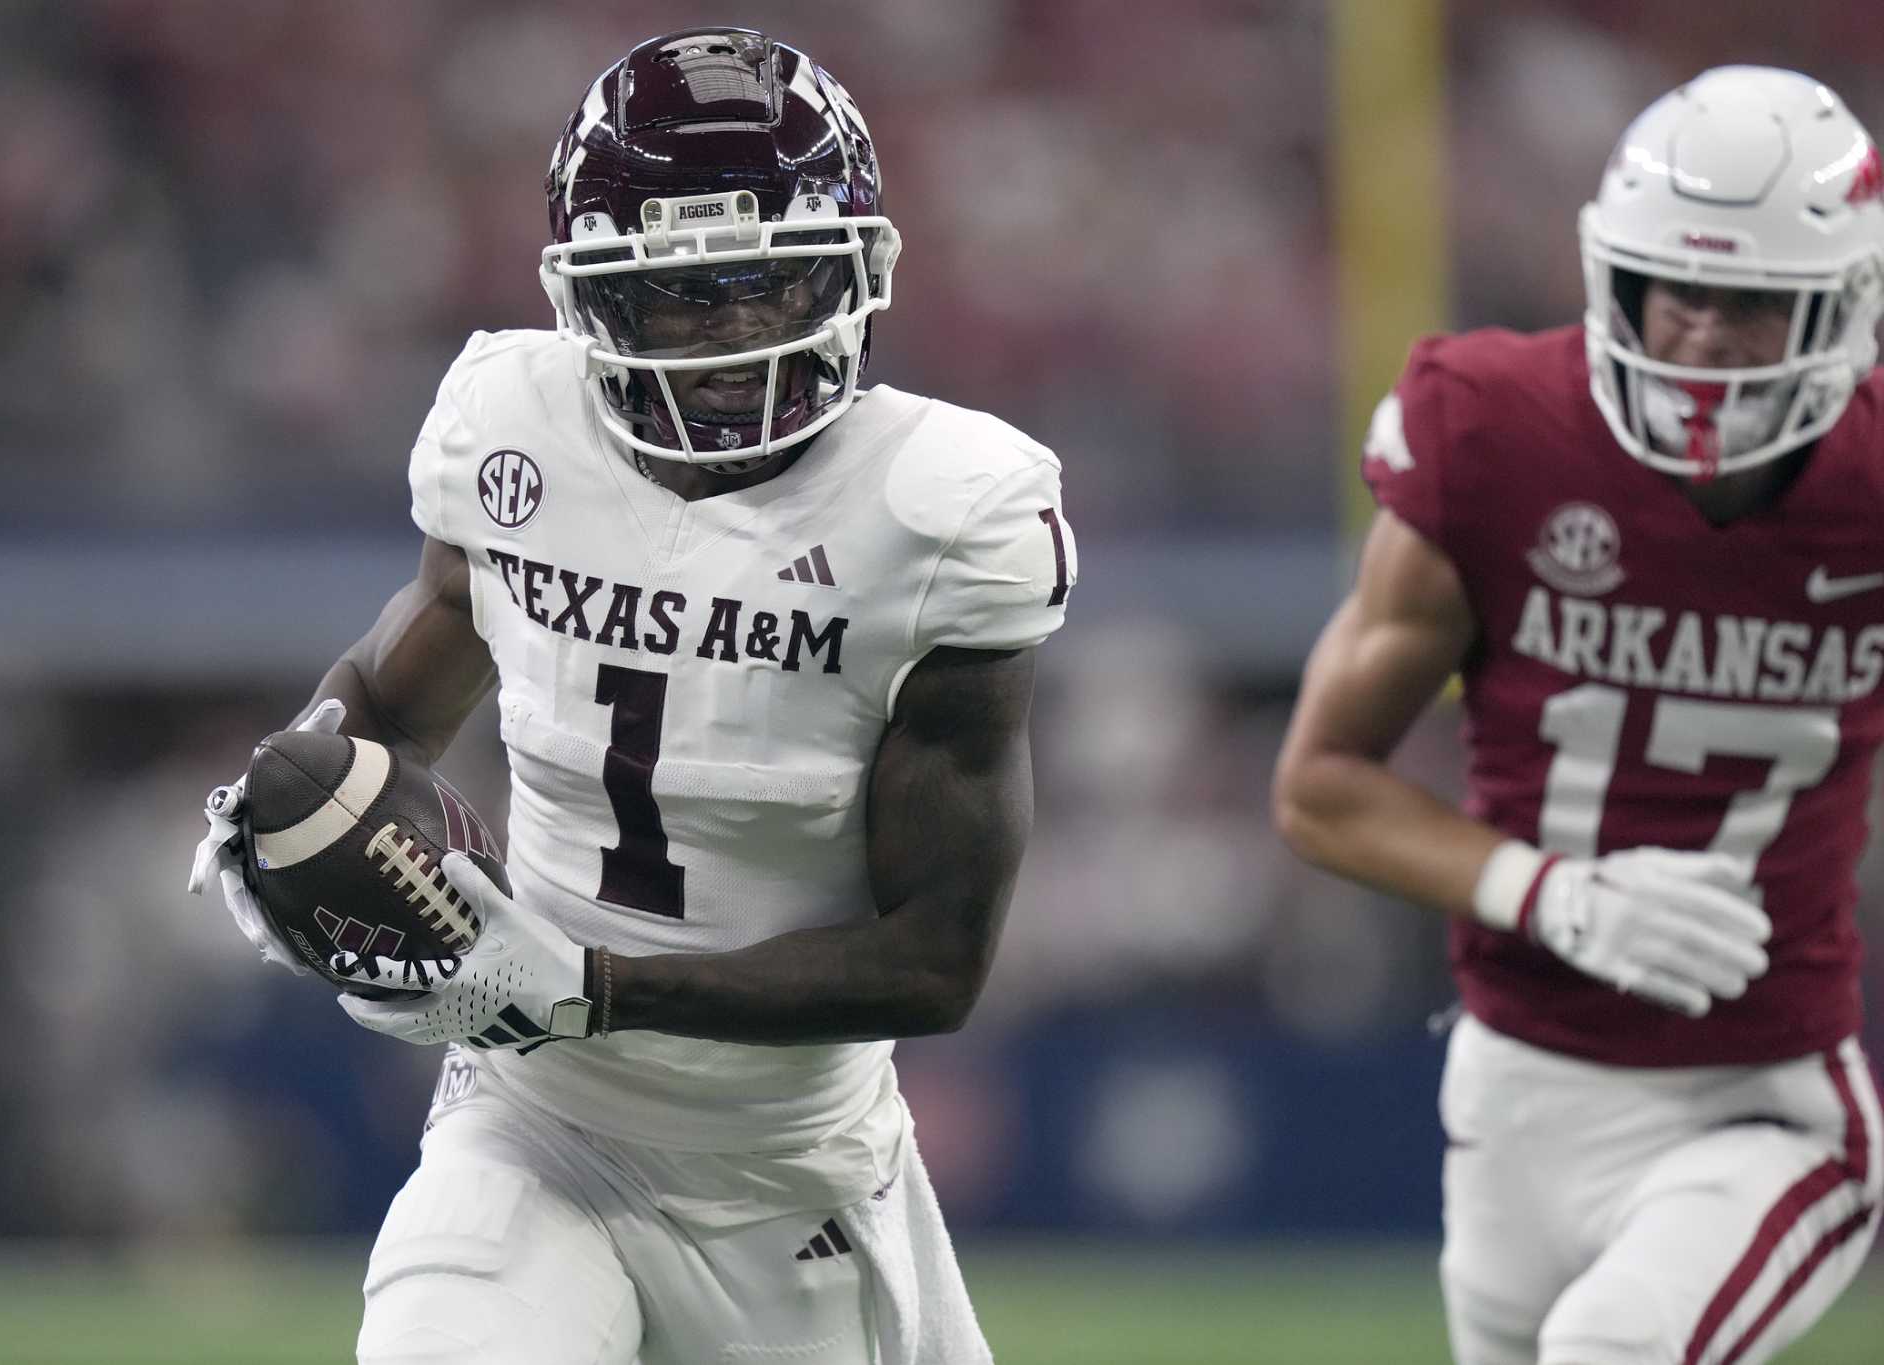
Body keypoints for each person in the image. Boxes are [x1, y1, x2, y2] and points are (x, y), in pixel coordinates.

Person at [188, 27, 1075, 1365]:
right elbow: (383, 691)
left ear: (849, 275)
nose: (728, 337)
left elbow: (934, 958)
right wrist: (296, 801)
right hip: (534, 1122)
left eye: (766, 287)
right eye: (683, 296)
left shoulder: (937, 517)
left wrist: (590, 982)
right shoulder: (513, 430)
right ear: (596, 301)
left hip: (786, 1171)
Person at [1273, 65, 1884, 1365]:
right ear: (1621, 280)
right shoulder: (1496, 435)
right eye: (1683, 294)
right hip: (1515, 1083)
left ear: (1844, 308)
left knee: (1612, 1347)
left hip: (1759, 1099)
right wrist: (1557, 895)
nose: (1705, 338)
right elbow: (1319, 784)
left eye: (1756, 306)